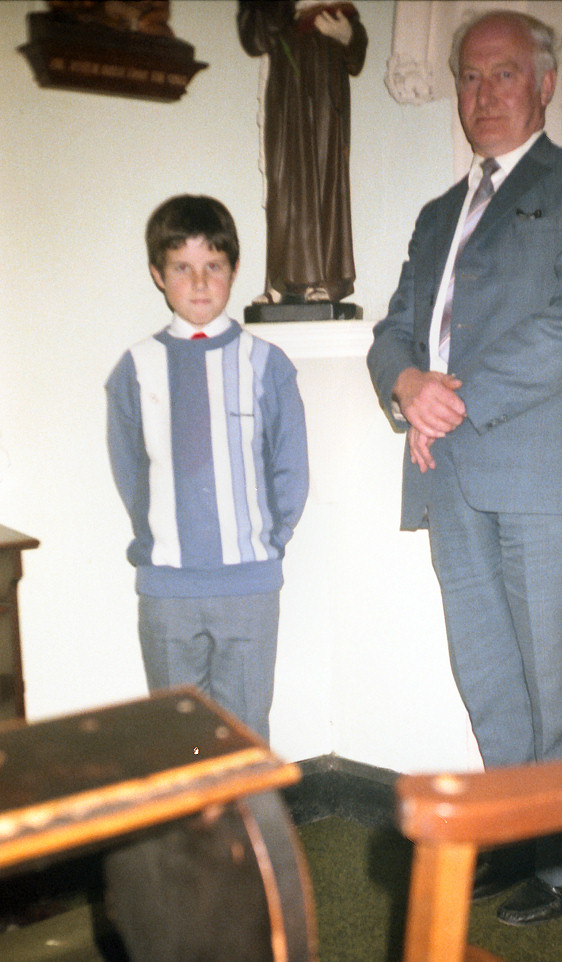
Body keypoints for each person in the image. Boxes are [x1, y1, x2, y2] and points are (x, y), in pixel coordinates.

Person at [367, 11, 562, 925]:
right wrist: (406, 383)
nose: (483, 94)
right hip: (449, 473)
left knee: (560, 678)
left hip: (546, 470)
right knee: (487, 672)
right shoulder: (437, 214)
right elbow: (395, 329)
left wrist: (455, 398)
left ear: (546, 84)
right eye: (470, 78)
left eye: (505, 74)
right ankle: (523, 835)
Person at [106, 194, 309, 743]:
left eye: (213, 266)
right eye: (182, 268)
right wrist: (158, 539)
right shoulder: (136, 368)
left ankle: (250, 808)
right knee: (179, 737)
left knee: (244, 733)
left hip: (248, 587)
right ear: (158, 274)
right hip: (168, 589)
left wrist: (269, 542)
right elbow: (130, 470)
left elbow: (290, 469)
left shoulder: (265, 364)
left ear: (234, 270)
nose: (199, 283)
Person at [237, 0, 368, 304]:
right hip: (286, 92)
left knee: (326, 182)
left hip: (327, 95)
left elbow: (356, 56)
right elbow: (254, 38)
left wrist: (348, 35)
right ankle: (280, 282)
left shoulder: (338, 9)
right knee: (284, 186)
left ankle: (325, 280)